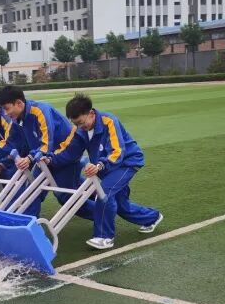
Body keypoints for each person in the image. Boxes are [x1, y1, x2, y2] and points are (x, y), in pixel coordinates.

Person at [45, 93, 162, 250]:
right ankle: (152, 217)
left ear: (91, 114)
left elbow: (117, 151)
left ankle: (104, 237)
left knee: (104, 193)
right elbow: (69, 151)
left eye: (81, 122)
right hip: (107, 167)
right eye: (75, 124)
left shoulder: (109, 121)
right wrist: (50, 159)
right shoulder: (80, 130)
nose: (79, 127)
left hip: (127, 163)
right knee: (121, 204)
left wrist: (99, 165)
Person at [0, 85, 94, 219]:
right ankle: (27, 223)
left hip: (64, 156)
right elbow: (10, 141)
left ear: (19, 103)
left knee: (66, 197)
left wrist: (29, 158)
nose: (5, 113)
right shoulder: (17, 120)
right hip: (44, 159)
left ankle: (104, 213)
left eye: (7, 108)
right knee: (33, 189)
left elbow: (47, 143)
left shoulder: (40, 111)